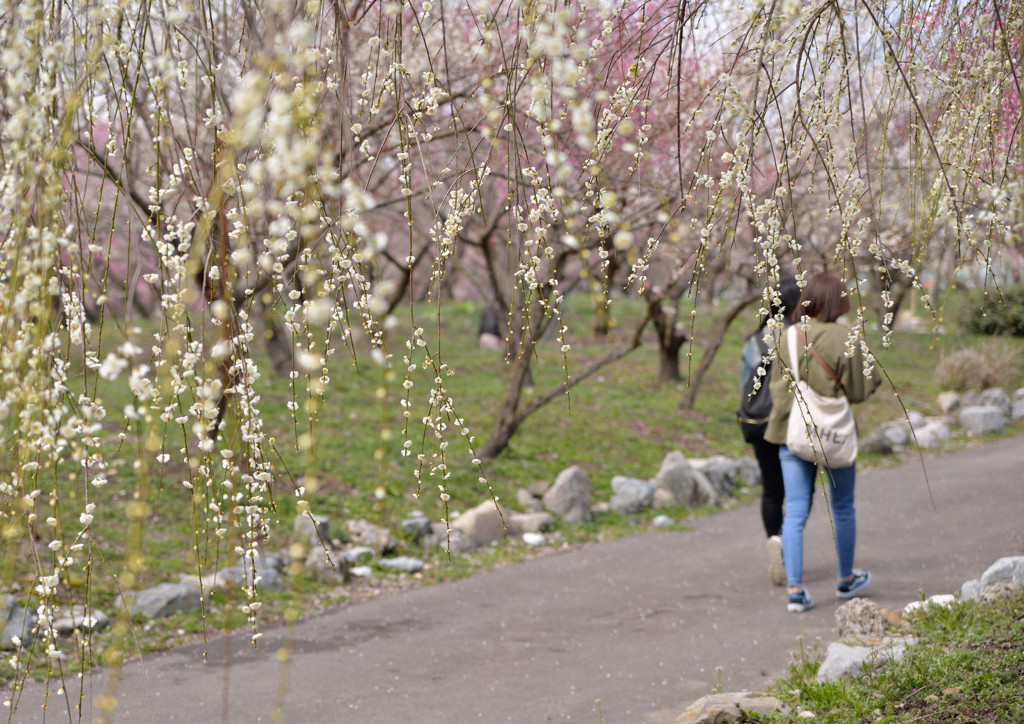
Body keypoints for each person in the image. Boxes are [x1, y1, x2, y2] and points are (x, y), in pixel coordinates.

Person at [764, 272, 882, 613]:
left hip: (794, 433)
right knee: (843, 508)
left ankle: (796, 591)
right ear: (840, 300)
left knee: (796, 511)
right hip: (835, 434)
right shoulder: (847, 336)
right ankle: (846, 579)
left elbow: (777, 390)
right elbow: (860, 391)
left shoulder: (789, 336)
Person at [738, 277, 802, 586]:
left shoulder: (754, 340)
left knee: (771, 490)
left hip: (758, 423)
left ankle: (775, 541)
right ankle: (789, 545)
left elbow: (744, 385)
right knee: (801, 493)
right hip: (792, 424)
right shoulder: (800, 337)